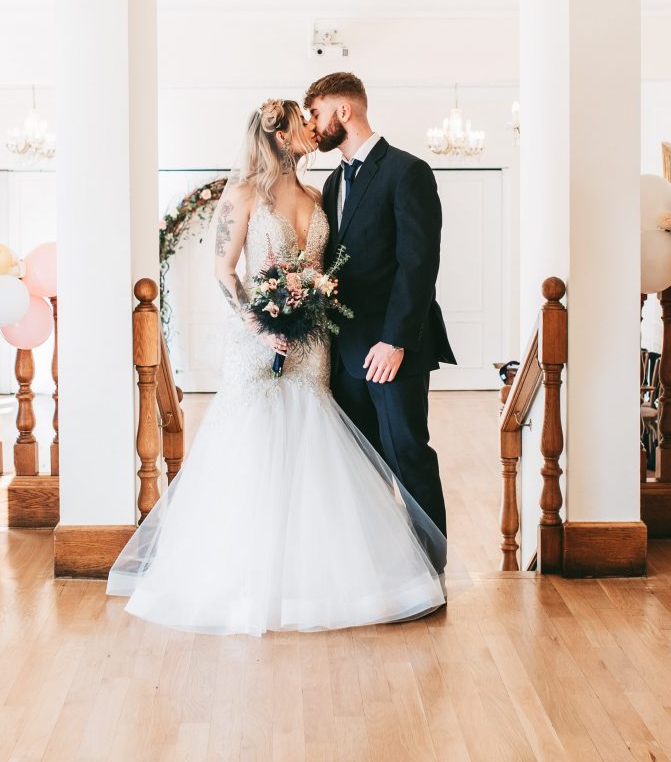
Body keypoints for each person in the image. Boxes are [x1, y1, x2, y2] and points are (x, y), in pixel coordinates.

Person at [106, 99, 445, 637]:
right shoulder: (241, 195)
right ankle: (249, 578)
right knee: (256, 445)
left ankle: (326, 573)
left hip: (314, 346)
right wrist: (258, 323)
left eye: (315, 117)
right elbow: (223, 268)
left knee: (317, 446)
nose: (312, 129)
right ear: (281, 136)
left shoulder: (320, 194)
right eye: (302, 122)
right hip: (258, 341)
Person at [304, 72, 456, 540]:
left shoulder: (407, 171)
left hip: (394, 351)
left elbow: (418, 265)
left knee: (407, 453)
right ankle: (381, 568)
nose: (312, 125)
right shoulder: (332, 183)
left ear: (343, 111)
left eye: (316, 112)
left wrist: (394, 341)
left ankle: (433, 566)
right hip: (344, 355)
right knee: (360, 463)